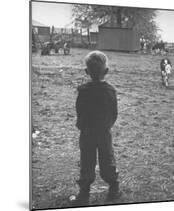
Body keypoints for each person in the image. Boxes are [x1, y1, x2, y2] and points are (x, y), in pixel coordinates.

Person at [72, 51, 120, 206]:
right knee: (107, 159)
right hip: (104, 132)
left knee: (86, 161)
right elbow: (114, 113)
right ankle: (113, 188)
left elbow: (79, 111)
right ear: (106, 71)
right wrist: (107, 126)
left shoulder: (83, 91)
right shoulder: (110, 91)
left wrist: (82, 126)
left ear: (87, 71)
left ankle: (84, 193)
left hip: (87, 133)